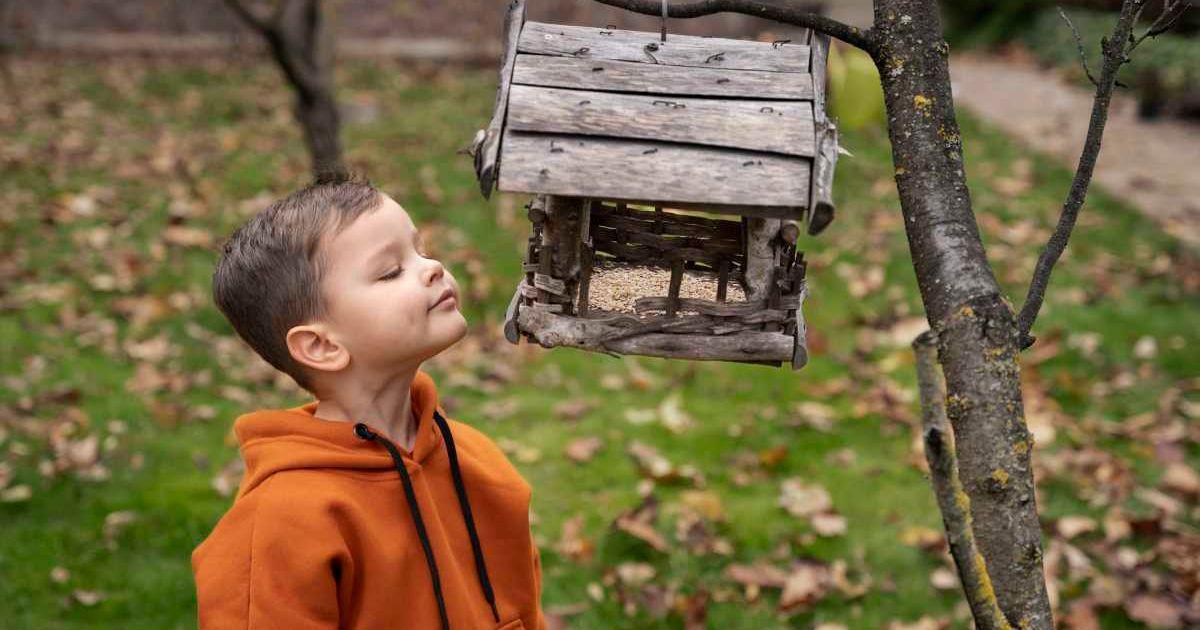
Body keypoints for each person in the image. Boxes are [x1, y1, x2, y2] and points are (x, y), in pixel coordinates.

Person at [192, 173, 545, 630]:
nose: (432, 267)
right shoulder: (279, 526)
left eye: (420, 249)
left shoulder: (478, 462)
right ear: (321, 346)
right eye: (390, 271)